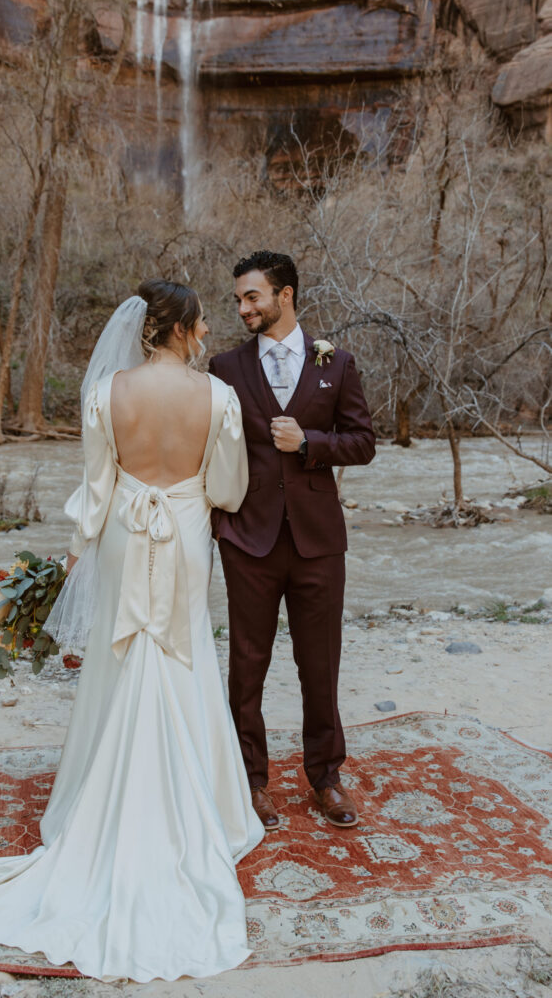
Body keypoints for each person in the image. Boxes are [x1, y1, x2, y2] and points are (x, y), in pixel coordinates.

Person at [0, 279, 264, 982]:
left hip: (124, 534)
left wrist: (74, 554)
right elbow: (228, 491)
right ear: (179, 329)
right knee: (179, 654)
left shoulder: (104, 395)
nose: (210, 331)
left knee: (122, 655)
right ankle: (203, 808)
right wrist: (185, 494)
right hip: (181, 535)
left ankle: (100, 797)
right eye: (203, 322)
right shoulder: (217, 397)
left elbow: (95, 493)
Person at [209, 251, 375, 833]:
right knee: (247, 665)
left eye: (251, 297)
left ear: (285, 296)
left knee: (319, 663)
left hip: (318, 542)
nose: (243, 308)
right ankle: (250, 781)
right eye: (238, 299)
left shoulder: (338, 362)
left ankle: (326, 778)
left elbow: (363, 442)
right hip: (247, 539)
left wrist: (310, 441)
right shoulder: (224, 367)